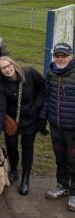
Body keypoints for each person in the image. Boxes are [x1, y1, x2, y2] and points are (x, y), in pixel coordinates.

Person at [0, 56, 45, 196]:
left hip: (30, 118)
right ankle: (14, 170)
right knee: (11, 146)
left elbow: (42, 88)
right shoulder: (1, 85)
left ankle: (26, 178)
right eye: (3, 68)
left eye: (9, 65)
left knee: (28, 147)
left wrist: (36, 106)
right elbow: (0, 108)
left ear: (14, 64)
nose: (7, 69)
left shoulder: (30, 73)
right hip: (12, 121)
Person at [41, 43, 75, 211]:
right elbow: (47, 97)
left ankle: (74, 193)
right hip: (55, 124)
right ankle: (62, 185)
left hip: (73, 128)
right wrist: (43, 118)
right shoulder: (50, 72)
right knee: (60, 158)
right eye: (57, 55)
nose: (60, 59)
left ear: (71, 57)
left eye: (64, 55)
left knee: (73, 161)